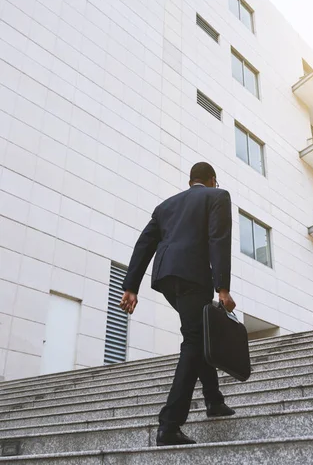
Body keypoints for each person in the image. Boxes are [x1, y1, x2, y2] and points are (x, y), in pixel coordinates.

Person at [120, 162, 236, 446]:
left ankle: (214, 400)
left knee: (198, 333)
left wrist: (131, 286)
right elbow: (219, 239)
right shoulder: (217, 196)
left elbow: (144, 243)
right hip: (193, 276)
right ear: (212, 180)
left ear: (190, 181)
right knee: (194, 341)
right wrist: (223, 288)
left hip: (166, 277)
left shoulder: (165, 206)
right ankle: (169, 424)